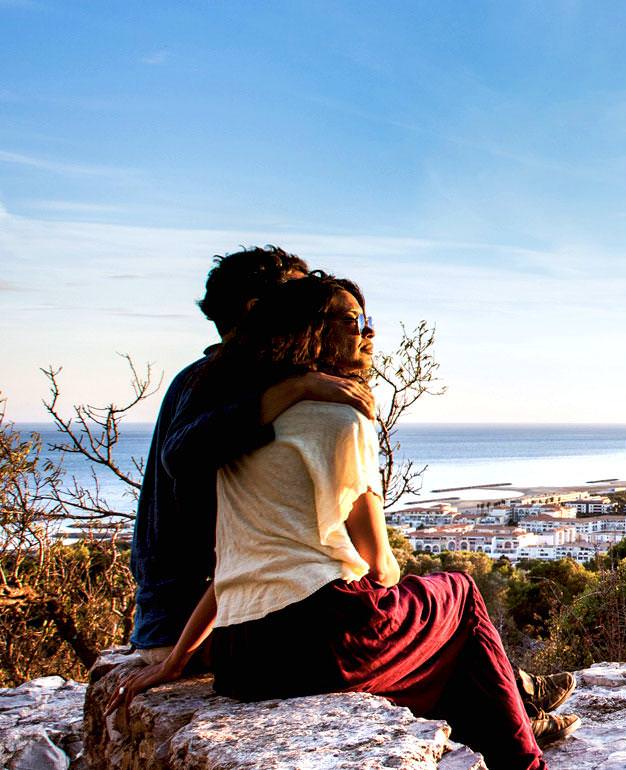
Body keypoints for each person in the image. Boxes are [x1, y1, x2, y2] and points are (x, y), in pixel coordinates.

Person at [109, 274, 576, 770]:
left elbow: (231, 569)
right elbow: (381, 564)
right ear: (310, 331)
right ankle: (523, 758)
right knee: (458, 592)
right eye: (354, 321)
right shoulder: (343, 418)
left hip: (241, 659)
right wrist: (373, 576)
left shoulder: (236, 434)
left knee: (429, 635)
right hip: (320, 641)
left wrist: (179, 658)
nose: (367, 333)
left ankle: (515, 724)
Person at [130, 247, 375, 666]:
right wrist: (297, 389)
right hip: (208, 624)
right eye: (303, 298)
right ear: (258, 309)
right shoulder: (220, 380)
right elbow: (182, 456)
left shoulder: (212, 379)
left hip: (187, 621)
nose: (312, 307)